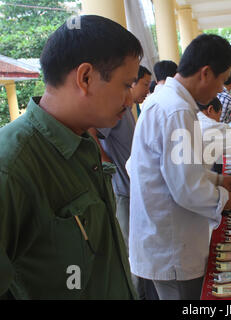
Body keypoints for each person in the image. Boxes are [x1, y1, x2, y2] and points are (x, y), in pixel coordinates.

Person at [0, 15, 143, 299]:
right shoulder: (12, 165)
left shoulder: (84, 144)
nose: (130, 101)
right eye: (126, 85)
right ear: (86, 77)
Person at [126, 34, 231, 300]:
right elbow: (186, 189)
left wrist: (217, 180)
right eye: (221, 80)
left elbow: (172, 170)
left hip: (165, 239)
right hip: (172, 247)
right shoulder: (176, 110)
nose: (220, 91)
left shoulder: (167, 102)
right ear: (205, 73)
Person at [87, 65, 157, 300]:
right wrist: (106, 164)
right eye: (143, 84)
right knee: (131, 249)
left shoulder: (129, 109)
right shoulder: (116, 110)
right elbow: (91, 130)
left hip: (133, 187)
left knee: (141, 246)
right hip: (122, 189)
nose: (147, 90)